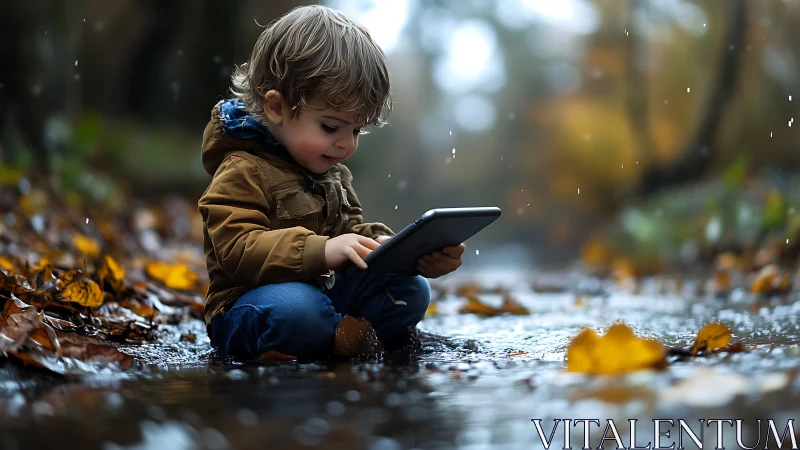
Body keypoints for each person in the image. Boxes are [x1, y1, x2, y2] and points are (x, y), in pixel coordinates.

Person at [198, 5, 466, 361]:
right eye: (330, 127)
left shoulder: (332, 173)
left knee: (410, 291)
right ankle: (338, 339)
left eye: (356, 130)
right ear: (276, 107)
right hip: (247, 304)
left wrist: (395, 250)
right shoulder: (241, 169)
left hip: (321, 294)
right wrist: (321, 250)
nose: (347, 144)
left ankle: (343, 338)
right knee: (299, 312)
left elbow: (349, 230)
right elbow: (236, 250)